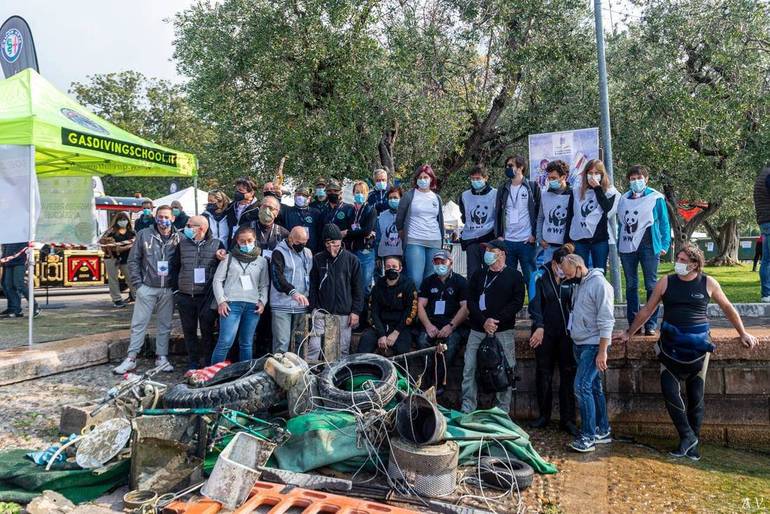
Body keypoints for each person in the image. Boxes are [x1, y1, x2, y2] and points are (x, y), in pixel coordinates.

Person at [616, 244, 758, 460]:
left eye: (683, 260)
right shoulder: (667, 282)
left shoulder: (708, 282)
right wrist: (628, 333)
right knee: (669, 392)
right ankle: (687, 436)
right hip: (670, 347)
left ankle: (693, 445)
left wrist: (743, 332)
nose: (678, 263)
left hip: (698, 349)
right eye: (678, 259)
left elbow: (728, 307)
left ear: (694, 264)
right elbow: (647, 310)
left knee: (696, 396)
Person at [114, 205, 180, 374]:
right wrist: (138, 285)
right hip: (147, 287)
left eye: (166, 216)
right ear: (155, 217)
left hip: (168, 289)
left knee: (165, 325)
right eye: (160, 216)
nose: (163, 220)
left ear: (172, 218)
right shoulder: (144, 235)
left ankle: (161, 357)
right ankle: (131, 357)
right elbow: (133, 260)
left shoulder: (179, 237)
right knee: (139, 323)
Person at [558, 253, 614, 453]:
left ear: (578, 267)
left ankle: (588, 436)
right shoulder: (579, 284)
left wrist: (602, 351)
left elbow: (607, 320)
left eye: (568, 272)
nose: (566, 276)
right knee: (594, 387)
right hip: (580, 343)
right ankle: (603, 429)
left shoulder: (600, 285)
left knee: (581, 387)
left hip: (592, 345)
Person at [462, 240, 525, 413]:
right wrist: (483, 321)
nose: (487, 252)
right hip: (477, 328)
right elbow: (471, 301)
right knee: (469, 367)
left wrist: (495, 320)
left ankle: (501, 412)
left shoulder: (515, 276)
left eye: (491, 250)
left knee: (506, 369)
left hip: (503, 330)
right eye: (486, 250)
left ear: (502, 254)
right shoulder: (478, 275)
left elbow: (517, 302)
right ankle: (468, 408)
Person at [528, 244, 578, 436]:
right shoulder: (539, 276)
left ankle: (568, 419)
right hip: (545, 333)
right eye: (563, 265)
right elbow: (534, 305)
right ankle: (543, 416)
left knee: (568, 374)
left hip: (566, 334)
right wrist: (539, 326)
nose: (565, 270)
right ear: (555, 263)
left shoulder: (571, 278)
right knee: (544, 373)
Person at [618, 165, 671, 336]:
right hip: (628, 247)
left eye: (639, 178)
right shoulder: (624, 199)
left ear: (646, 179)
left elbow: (664, 222)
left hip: (649, 246)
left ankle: (650, 323)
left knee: (651, 285)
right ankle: (634, 323)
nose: (636, 181)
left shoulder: (656, 198)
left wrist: (664, 244)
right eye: (632, 179)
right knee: (631, 285)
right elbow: (621, 222)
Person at [170, 216, 224, 371]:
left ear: (201, 228)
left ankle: (208, 362)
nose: (185, 227)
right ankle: (193, 362)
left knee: (208, 332)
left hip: (206, 297)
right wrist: (176, 290)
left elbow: (223, 268)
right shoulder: (182, 244)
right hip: (185, 295)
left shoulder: (217, 244)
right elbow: (174, 267)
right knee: (189, 331)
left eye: (189, 225)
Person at [211, 227, 269, 363]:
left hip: (252, 306)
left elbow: (264, 284)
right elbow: (217, 280)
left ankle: (244, 375)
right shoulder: (228, 258)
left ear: (255, 240)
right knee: (225, 341)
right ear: (237, 241)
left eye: (249, 240)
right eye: (243, 241)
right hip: (231, 305)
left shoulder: (262, 261)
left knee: (246, 343)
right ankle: (213, 374)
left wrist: (262, 302)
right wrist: (221, 301)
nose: (246, 244)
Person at [308, 224, 364, 360]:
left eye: (334, 242)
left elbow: (358, 289)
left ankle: (337, 378)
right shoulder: (318, 259)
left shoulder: (352, 260)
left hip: (344, 313)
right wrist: (313, 308)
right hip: (321, 311)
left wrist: (356, 311)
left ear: (340, 241)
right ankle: (308, 376)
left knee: (341, 349)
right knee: (313, 347)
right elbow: (313, 285)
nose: (331, 246)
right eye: (327, 243)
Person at [416, 250, 469, 389]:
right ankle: (427, 378)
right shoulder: (428, 281)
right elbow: (420, 305)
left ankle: (440, 382)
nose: (439, 265)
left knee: (451, 345)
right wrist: (428, 326)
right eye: (436, 262)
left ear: (450, 262)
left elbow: (465, 308)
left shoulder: (460, 281)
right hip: (432, 323)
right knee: (422, 341)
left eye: (443, 262)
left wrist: (451, 326)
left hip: (452, 324)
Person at [494, 155, 540, 296]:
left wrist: (535, 235)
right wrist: (499, 236)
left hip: (526, 241)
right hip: (508, 241)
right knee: (508, 280)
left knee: (530, 279)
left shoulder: (532, 187)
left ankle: (535, 313)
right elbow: (497, 213)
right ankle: (508, 314)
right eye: (507, 166)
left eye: (511, 165)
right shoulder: (503, 188)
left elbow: (539, 213)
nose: (508, 168)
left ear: (520, 168)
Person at [396, 164, 445, 289]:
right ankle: (413, 307)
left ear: (431, 179)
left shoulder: (436, 198)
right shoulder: (409, 196)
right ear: (416, 179)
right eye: (420, 177)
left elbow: (440, 221)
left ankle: (426, 307)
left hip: (434, 241)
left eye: (426, 177)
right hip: (414, 240)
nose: (423, 180)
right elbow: (399, 218)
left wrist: (442, 241)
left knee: (430, 279)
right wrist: (402, 233)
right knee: (415, 279)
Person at [357, 256, 417, 355]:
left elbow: (411, 310)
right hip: (380, 325)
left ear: (400, 268)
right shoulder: (378, 285)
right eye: (388, 266)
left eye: (394, 266)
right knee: (365, 343)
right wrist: (381, 334)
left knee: (402, 352)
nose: (391, 269)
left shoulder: (408, 285)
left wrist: (396, 332)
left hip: (401, 326)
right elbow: (373, 311)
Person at [568, 160, 619, 272]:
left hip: (599, 239)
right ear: (585, 174)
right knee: (580, 272)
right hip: (580, 239)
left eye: (597, 173)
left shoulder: (609, 191)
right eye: (590, 172)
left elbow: (607, 208)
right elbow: (570, 215)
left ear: (602, 174)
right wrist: (567, 239)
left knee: (599, 273)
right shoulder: (576, 191)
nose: (593, 176)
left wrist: (597, 188)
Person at [270, 227, 313, 353]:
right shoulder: (278, 252)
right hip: (282, 304)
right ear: (290, 239)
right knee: (282, 343)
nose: (302, 245)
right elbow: (277, 277)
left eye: (305, 242)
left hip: (301, 305)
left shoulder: (308, 253)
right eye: (299, 243)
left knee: (300, 342)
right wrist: (292, 292)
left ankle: (297, 371)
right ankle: (279, 371)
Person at [459, 164, 498, 279]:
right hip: (471, 240)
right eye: (473, 179)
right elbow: (464, 216)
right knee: (473, 273)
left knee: (490, 270)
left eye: (478, 178)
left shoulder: (495, 193)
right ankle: (472, 297)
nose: (475, 181)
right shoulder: (464, 195)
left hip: (489, 239)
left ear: (485, 178)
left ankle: (489, 296)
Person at [537, 160, 574, 264]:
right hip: (548, 247)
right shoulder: (544, 195)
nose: (550, 180)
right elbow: (540, 218)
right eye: (549, 178)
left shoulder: (573, 195)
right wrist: (540, 239)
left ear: (563, 176)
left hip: (566, 248)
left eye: (554, 178)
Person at [346, 181, 377, 295]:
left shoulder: (371, 210)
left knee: (365, 285)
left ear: (367, 194)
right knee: (351, 284)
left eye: (363, 192)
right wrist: (356, 232)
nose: (360, 195)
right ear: (353, 193)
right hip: (351, 251)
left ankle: (364, 312)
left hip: (366, 251)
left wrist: (348, 232)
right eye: (357, 192)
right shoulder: (349, 210)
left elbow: (367, 231)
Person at [99, 212, 136, 308]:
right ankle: (117, 299)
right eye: (120, 220)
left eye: (124, 219)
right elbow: (103, 242)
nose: (122, 222)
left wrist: (126, 247)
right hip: (111, 257)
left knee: (131, 278)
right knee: (113, 279)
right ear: (116, 221)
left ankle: (136, 296)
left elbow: (136, 243)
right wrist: (126, 246)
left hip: (126, 258)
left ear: (128, 221)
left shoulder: (131, 232)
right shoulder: (110, 231)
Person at [0, 242, 38, 318]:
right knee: (8, 286)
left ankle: (35, 306)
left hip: (19, 261)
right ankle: (15, 309)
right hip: (8, 261)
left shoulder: (21, 233)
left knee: (19, 284)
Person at [282, 185, 322, 253]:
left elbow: (319, 232)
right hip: (291, 249)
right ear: (294, 196)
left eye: (304, 195)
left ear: (309, 198)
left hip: (312, 251)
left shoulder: (315, 213)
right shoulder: (287, 211)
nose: (300, 197)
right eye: (298, 194)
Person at [224, 177, 260, 247]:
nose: (237, 193)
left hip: (249, 246)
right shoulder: (230, 207)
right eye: (237, 190)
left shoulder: (259, 208)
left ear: (251, 193)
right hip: (231, 245)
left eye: (241, 190)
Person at [754, 166, 770, 302]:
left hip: (764, 221)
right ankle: (767, 293)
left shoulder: (763, 174)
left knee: (766, 260)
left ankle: (766, 294)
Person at [375, 186, 404, 261]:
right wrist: (377, 257)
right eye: (390, 198)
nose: (392, 200)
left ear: (401, 199)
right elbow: (378, 238)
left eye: (395, 197)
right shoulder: (381, 216)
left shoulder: (407, 215)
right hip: (385, 255)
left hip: (402, 255)